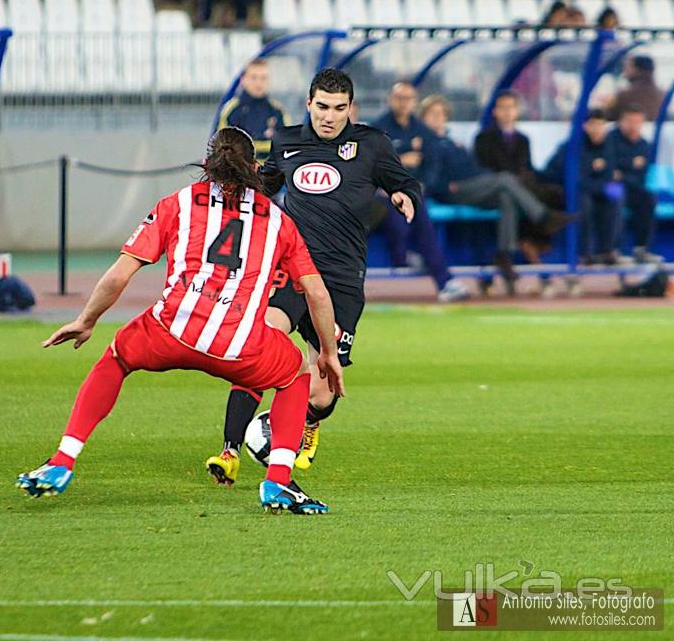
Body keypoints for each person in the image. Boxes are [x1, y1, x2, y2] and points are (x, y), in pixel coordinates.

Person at [17, 127, 342, 515]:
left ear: (208, 164)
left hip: (169, 331)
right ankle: (278, 482)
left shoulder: (179, 202)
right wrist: (326, 353)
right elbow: (317, 294)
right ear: (254, 168)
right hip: (240, 345)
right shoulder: (277, 221)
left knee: (116, 359)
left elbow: (120, 274)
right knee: (294, 376)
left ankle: (62, 461)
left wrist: (86, 320)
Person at [205, 68, 423, 483]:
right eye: (322, 106)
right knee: (259, 346)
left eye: (339, 108)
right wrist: (238, 186)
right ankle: (229, 450)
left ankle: (307, 421)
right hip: (293, 269)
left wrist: (402, 194)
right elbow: (267, 184)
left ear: (349, 109)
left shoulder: (372, 144)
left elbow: (404, 179)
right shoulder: (288, 141)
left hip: (342, 277)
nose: (329, 116)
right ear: (309, 104)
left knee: (323, 389)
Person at [420, 94, 574, 285]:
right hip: (451, 191)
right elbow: (428, 177)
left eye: (441, 113)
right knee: (505, 179)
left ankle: (505, 253)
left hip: (473, 185)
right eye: (432, 114)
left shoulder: (452, 142)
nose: (437, 117)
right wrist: (445, 186)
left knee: (505, 196)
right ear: (423, 117)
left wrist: (484, 178)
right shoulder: (425, 142)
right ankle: (543, 217)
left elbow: (473, 168)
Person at [371, 81, 469, 303]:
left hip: (412, 193)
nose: (404, 103)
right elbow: (370, 164)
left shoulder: (420, 129)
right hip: (381, 194)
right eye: (400, 98)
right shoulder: (378, 128)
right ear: (390, 100)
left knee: (420, 214)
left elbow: (432, 163)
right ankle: (407, 258)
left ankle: (442, 280)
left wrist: (422, 184)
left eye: (409, 99)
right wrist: (401, 161)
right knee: (400, 219)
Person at [542, 108, 622, 264]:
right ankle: (583, 253)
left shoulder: (609, 145)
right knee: (583, 202)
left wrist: (604, 185)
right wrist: (602, 184)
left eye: (601, 125)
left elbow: (609, 174)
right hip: (560, 190)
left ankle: (607, 251)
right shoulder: (572, 146)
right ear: (585, 126)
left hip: (591, 189)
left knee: (615, 197)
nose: (597, 129)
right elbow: (576, 180)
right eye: (593, 125)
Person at [610, 106, 659, 263]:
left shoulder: (644, 145)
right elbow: (610, 172)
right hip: (610, 187)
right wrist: (631, 166)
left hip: (632, 187)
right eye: (629, 121)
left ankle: (641, 249)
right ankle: (613, 250)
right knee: (617, 196)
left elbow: (641, 176)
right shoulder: (609, 140)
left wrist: (623, 172)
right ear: (620, 121)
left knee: (648, 198)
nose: (633, 126)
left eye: (637, 122)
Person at [217, 59, 290, 163]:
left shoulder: (278, 111)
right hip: (241, 174)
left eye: (263, 78)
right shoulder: (231, 110)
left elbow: (287, 147)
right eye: (254, 77)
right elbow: (222, 147)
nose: (258, 83)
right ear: (243, 80)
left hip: (271, 175)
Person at [609, 55, 666, 121]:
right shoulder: (663, 94)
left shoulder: (624, 95)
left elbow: (611, 117)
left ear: (637, 70)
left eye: (628, 67)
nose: (624, 71)